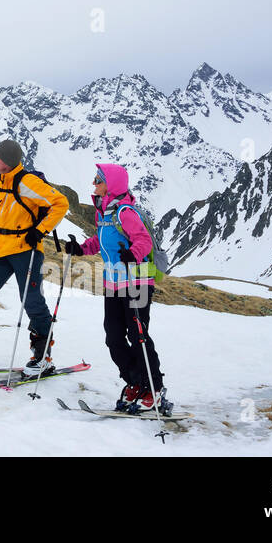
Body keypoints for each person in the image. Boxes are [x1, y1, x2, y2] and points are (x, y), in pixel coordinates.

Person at [0, 139, 69, 374]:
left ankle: (42, 357)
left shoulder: (27, 182)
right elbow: (7, 211)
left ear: (6, 162)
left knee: (32, 302)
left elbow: (60, 203)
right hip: (0, 247)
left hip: (26, 250)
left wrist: (40, 231)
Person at [65, 163, 169, 414]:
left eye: (98, 180)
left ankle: (153, 388)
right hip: (114, 284)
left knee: (138, 335)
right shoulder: (104, 212)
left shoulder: (125, 212)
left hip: (138, 282)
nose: (94, 184)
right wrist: (81, 248)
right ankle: (135, 382)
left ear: (110, 184)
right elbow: (100, 241)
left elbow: (143, 240)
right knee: (113, 336)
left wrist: (132, 254)